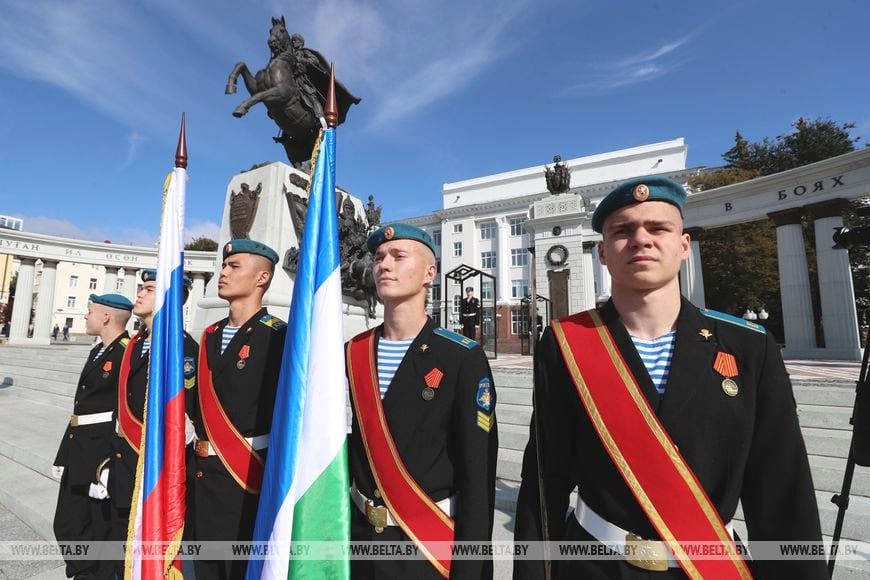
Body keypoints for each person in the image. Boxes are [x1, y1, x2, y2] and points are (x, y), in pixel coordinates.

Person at [514, 176, 827, 579]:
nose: (641, 240)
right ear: (604, 254)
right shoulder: (564, 344)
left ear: (683, 246)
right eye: (623, 231)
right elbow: (546, 475)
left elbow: (781, 488)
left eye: (657, 228)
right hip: (593, 565)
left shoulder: (748, 345)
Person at [346, 223, 499, 579]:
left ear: (430, 272)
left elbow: (477, 478)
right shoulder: (354, 352)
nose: (384, 264)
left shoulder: (461, 357)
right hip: (358, 544)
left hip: (424, 550)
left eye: (399, 256)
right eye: (380, 257)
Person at [191, 239, 286, 580]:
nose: (223, 272)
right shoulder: (211, 334)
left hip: (245, 479)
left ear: (262, 278)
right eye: (224, 265)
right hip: (202, 476)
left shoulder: (278, 337)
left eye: (234, 266)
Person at [104, 269, 200, 577]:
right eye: (141, 287)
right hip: (124, 460)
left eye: (149, 288)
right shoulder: (134, 344)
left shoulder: (182, 347)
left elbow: (187, 412)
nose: (141, 293)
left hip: (153, 467)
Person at [52, 293, 132, 580]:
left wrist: (109, 464)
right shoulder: (98, 350)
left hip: (100, 454)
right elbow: (80, 407)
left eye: (90, 311)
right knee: (68, 524)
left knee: (96, 527)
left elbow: (123, 413)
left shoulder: (127, 352)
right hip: (79, 450)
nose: (85, 316)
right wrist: (64, 453)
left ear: (106, 317)